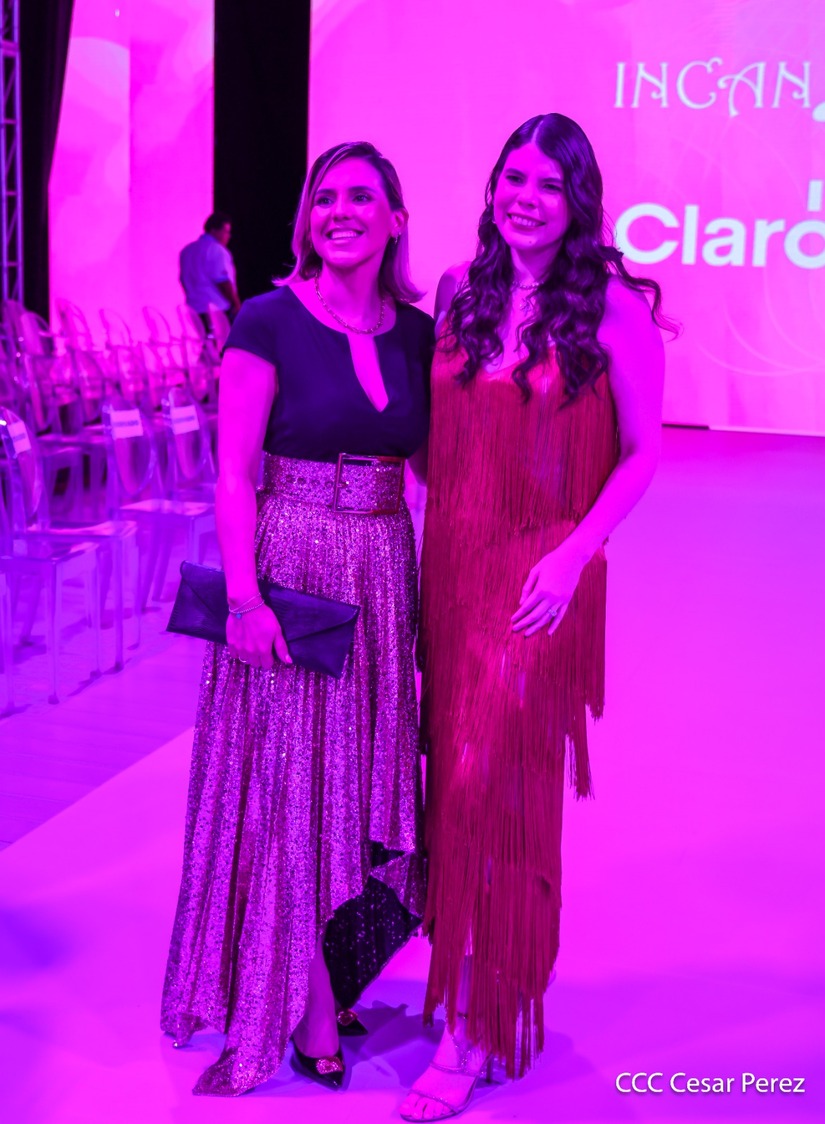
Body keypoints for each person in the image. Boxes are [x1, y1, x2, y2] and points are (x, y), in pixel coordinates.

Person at [401, 113, 674, 1120]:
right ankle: (482, 975)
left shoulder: (612, 309)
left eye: (548, 185)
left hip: (543, 574)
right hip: (452, 566)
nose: (525, 197)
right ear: (492, 188)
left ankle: (475, 1026)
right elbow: (429, 434)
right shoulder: (457, 292)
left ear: (577, 202)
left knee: (491, 785)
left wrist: (573, 553)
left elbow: (642, 453)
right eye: (513, 177)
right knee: (452, 782)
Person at [161, 141, 433, 1096]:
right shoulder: (268, 319)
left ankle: (335, 963)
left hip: (385, 569)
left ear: (395, 219)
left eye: (361, 197)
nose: (340, 211)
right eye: (325, 198)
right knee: (291, 788)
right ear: (307, 219)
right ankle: (308, 1001)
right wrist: (242, 599)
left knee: (353, 782)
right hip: (292, 572)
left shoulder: (418, 334)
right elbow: (234, 474)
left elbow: (438, 469)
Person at [179, 211, 241, 331]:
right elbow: (222, 281)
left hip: (194, 309)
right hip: (216, 310)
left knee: (206, 340)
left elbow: (183, 279)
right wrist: (236, 304)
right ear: (213, 230)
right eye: (226, 231)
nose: (228, 236)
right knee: (223, 341)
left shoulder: (187, 250)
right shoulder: (216, 249)